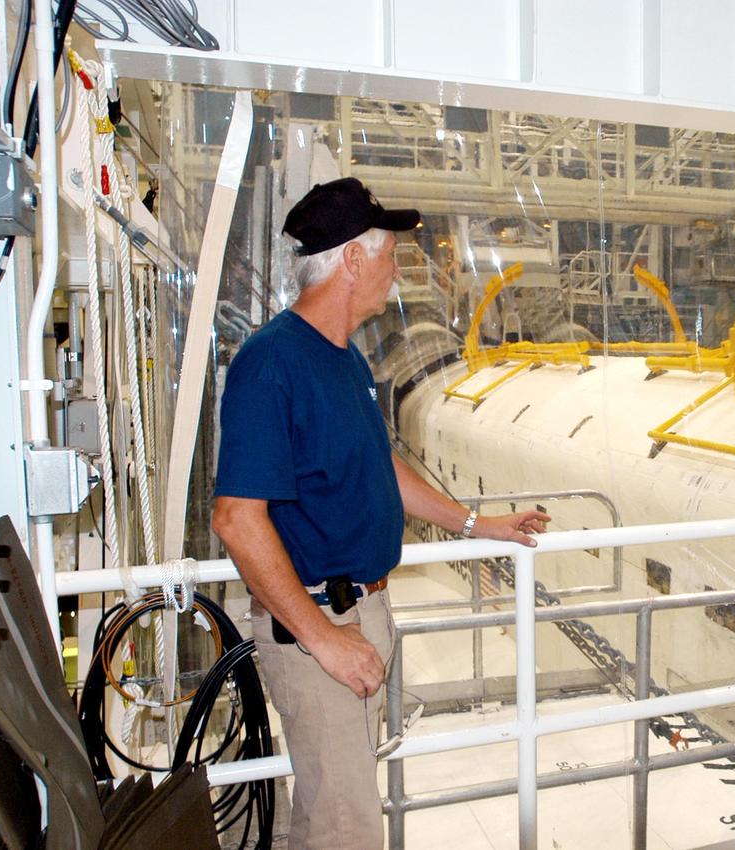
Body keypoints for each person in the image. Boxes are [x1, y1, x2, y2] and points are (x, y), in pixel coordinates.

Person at [211, 177, 549, 849]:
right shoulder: (271, 364)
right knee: (350, 832)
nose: (396, 275)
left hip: (354, 616)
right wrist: (323, 637)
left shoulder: (340, 358)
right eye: (391, 257)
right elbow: (236, 519)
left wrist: (479, 525)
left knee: (324, 816)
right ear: (355, 261)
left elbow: (381, 468)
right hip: (316, 628)